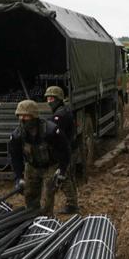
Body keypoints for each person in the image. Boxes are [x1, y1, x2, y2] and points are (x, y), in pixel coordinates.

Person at [8, 99, 70, 218]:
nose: (22, 119)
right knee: (30, 195)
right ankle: (32, 219)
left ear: (34, 116)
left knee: (48, 196)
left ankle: (47, 220)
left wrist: (62, 170)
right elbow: (15, 157)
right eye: (20, 116)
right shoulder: (17, 135)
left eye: (26, 116)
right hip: (31, 167)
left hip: (50, 166)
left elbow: (65, 150)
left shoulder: (51, 131)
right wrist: (19, 178)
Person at [44, 85, 79, 213]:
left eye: (51, 98)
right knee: (68, 177)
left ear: (58, 99)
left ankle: (71, 205)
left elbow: (54, 133)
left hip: (64, 151)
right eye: (47, 98)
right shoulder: (64, 110)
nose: (49, 101)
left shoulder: (60, 115)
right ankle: (72, 203)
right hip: (68, 149)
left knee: (63, 178)